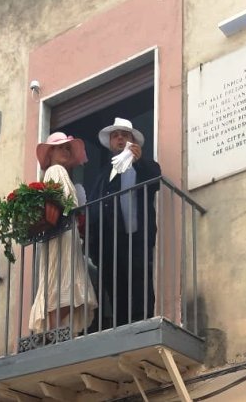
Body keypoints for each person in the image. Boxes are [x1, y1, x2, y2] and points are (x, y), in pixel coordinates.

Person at [88, 117, 161, 327]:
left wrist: (140, 162)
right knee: (113, 286)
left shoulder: (142, 165)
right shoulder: (103, 174)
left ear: (132, 141)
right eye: (115, 136)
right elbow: (94, 205)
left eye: (124, 135)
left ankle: (141, 324)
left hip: (135, 239)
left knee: (139, 280)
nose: (119, 138)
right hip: (108, 243)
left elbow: (155, 179)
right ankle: (120, 325)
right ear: (111, 142)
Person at [28, 132, 98, 337]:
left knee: (64, 281)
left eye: (68, 148)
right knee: (62, 280)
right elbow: (62, 202)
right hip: (61, 235)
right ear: (50, 154)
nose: (66, 151)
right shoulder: (55, 170)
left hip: (66, 235)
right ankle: (55, 329)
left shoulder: (61, 174)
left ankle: (57, 328)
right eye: (61, 148)